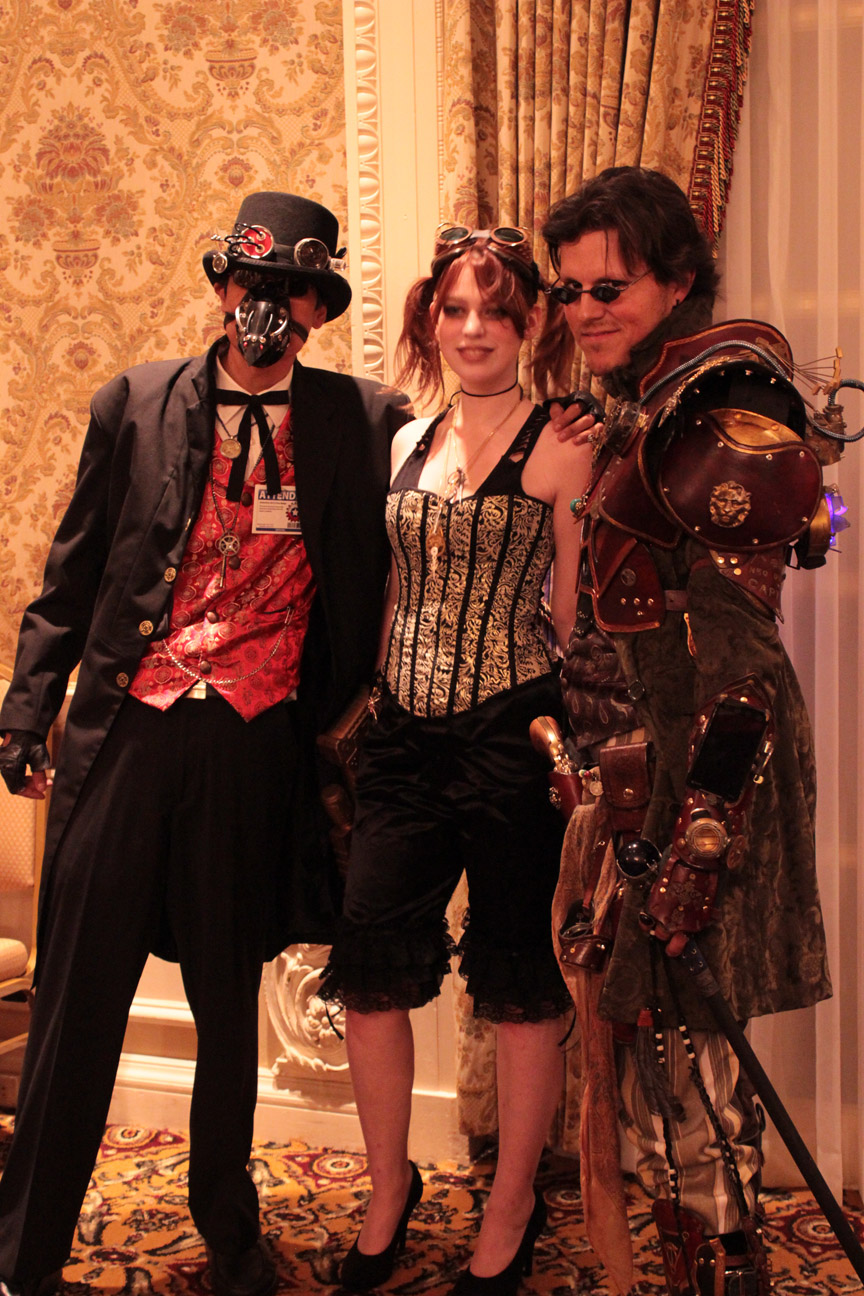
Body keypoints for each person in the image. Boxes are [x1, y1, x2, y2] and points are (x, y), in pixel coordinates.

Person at [0, 192, 413, 1296]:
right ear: (223, 285)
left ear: (317, 309)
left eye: (290, 292)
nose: (265, 306)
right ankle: (23, 1252)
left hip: (254, 743)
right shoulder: (134, 403)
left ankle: (229, 1231)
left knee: (228, 1008)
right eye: (250, 283)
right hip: (130, 733)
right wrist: (27, 710)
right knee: (77, 996)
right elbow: (70, 576)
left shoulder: (364, 421)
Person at [541, 166, 837, 1296]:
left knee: (691, 1055)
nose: (584, 311)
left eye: (608, 287)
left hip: (713, 777)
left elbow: (743, 672)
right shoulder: (651, 402)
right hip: (654, 768)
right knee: (662, 1058)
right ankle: (693, 1266)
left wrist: (696, 849)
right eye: (569, 291)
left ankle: (718, 1271)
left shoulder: (714, 410)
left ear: (677, 280)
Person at [318, 224, 592, 1296]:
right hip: (400, 738)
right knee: (370, 971)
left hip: (511, 736)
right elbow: (392, 589)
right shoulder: (404, 440)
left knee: (520, 981)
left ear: (528, 327)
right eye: (457, 309)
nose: (475, 329)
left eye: (496, 312)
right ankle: (390, 1187)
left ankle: (512, 1203)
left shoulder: (561, 443)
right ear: (432, 320)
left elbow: (568, 615)